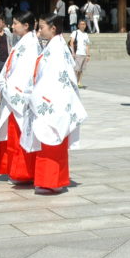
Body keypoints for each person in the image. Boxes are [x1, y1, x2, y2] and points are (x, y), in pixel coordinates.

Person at [27, 14, 87, 194]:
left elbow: (56, 78)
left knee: (51, 142)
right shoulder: (55, 46)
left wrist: (41, 97)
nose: (40, 31)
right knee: (50, 142)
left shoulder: (58, 49)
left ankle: (51, 181)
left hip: (54, 101)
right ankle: (52, 180)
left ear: (53, 28)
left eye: (42, 27)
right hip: (51, 99)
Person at [0, 11, 40, 184]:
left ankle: (22, 172)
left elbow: (26, 73)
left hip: (19, 94)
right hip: (12, 91)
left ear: (26, 25)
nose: (12, 26)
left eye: (15, 23)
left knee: (18, 134)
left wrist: (12, 89)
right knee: (12, 134)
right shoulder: (23, 42)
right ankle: (14, 169)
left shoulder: (32, 44)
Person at [68, 19, 91, 88]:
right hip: (77, 53)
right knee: (76, 69)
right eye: (81, 24)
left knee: (81, 70)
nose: (82, 26)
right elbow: (71, 42)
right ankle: (73, 82)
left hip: (84, 54)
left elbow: (87, 45)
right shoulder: (75, 32)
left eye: (84, 24)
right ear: (78, 25)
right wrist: (73, 52)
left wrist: (88, 55)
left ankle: (79, 82)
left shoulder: (86, 34)